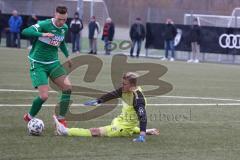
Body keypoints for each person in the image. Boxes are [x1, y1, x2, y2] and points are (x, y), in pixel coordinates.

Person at [53, 72, 160, 142]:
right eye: (122, 83)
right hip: (119, 120)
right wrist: (98, 101)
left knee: (95, 131)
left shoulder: (138, 99)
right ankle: (145, 130)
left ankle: (64, 131)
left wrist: (142, 135)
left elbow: (143, 116)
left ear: (132, 86)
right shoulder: (125, 89)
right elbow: (113, 94)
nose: (122, 86)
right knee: (115, 122)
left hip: (123, 128)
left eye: (124, 84)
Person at [21, 6, 72, 127]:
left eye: (64, 19)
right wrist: (42, 34)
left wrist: (67, 55)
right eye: (59, 19)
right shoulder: (44, 24)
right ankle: (29, 117)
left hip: (53, 63)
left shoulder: (64, 27)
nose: (61, 22)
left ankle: (61, 119)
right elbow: (25, 31)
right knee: (44, 96)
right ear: (55, 15)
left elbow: (61, 42)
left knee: (68, 88)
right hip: (38, 64)